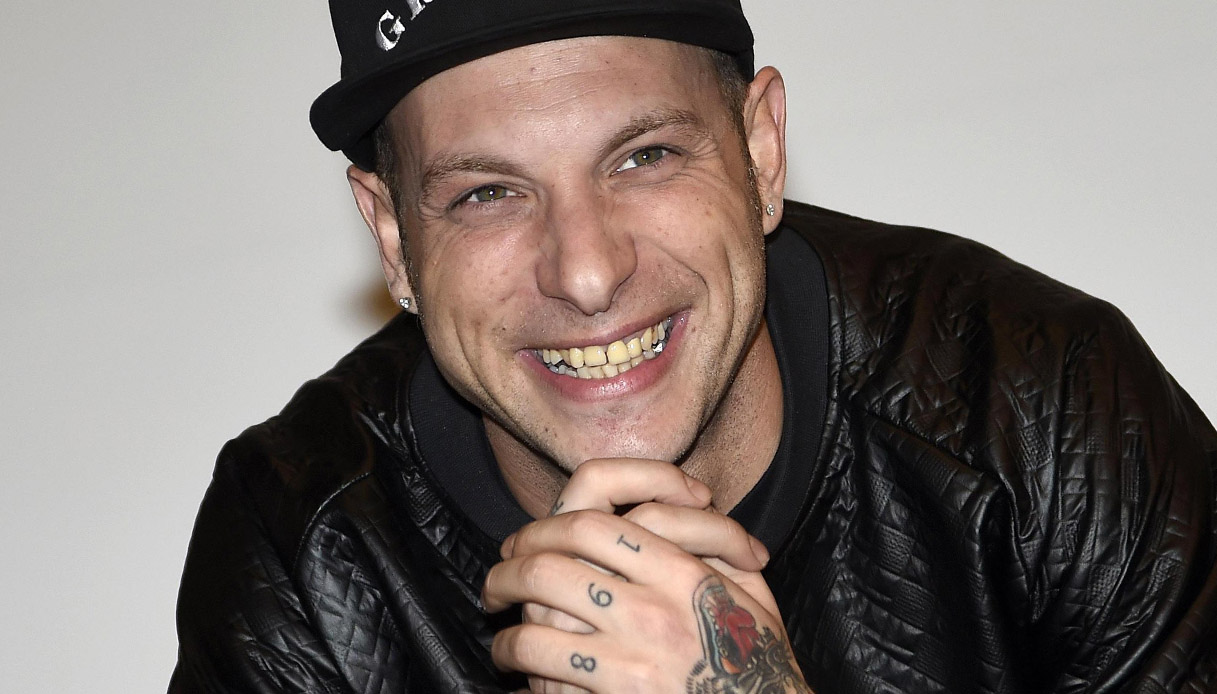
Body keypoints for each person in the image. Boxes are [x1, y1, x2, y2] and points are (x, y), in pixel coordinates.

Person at [170, 1, 1217, 692]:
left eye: (644, 156)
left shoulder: (1040, 410)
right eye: (488, 193)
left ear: (760, 152)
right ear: (394, 236)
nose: (586, 273)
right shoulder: (305, 547)